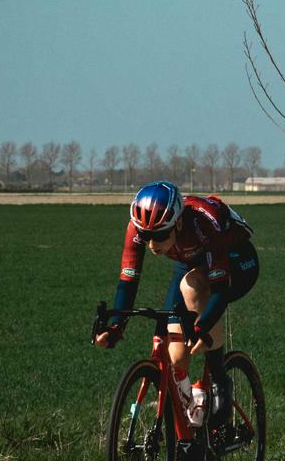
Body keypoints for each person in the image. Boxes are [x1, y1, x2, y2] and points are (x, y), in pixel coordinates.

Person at [93, 181, 260, 430]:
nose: (151, 244)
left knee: (192, 289)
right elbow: (128, 280)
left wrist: (202, 326)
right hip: (190, 259)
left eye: (159, 235)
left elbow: (220, 290)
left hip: (234, 258)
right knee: (176, 349)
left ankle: (219, 379)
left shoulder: (203, 222)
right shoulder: (139, 229)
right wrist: (116, 326)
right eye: (146, 236)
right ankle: (187, 428)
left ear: (178, 223)